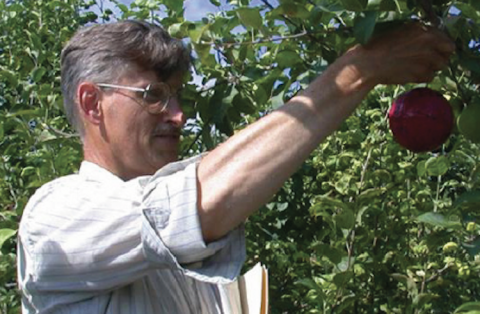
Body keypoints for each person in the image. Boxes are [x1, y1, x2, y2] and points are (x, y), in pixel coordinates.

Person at [17, 19, 455, 313]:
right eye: (152, 95)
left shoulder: (182, 265)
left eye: (177, 96)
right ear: (93, 103)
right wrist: (360, 70)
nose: (178, 114)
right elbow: (195, 201)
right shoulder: (55, 218)